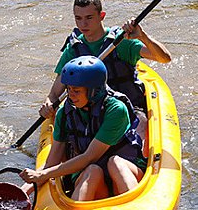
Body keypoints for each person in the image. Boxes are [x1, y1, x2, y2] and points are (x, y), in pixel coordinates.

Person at [20, 56, 146, 201]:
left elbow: (90, 157)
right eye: (68, 89)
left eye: (76, 90)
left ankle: (134, 205)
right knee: (93, 171)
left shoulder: (116, 110)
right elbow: (52, 162)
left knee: (115, 163)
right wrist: (24, 190)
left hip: (124, 172)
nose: (70, 95)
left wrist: (44, 175)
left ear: (94, 91)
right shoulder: (65, 113)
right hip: (93, 180)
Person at [39, 0, 172, 120]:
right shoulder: (74, 50)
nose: (83, 24)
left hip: (127, 110)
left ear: (102, 16)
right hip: (92, 114)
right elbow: (55, 94)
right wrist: (48, 104)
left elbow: (164, 58)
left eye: (89, 18)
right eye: (78, 18)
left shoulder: (120, 41)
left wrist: (143, 37)